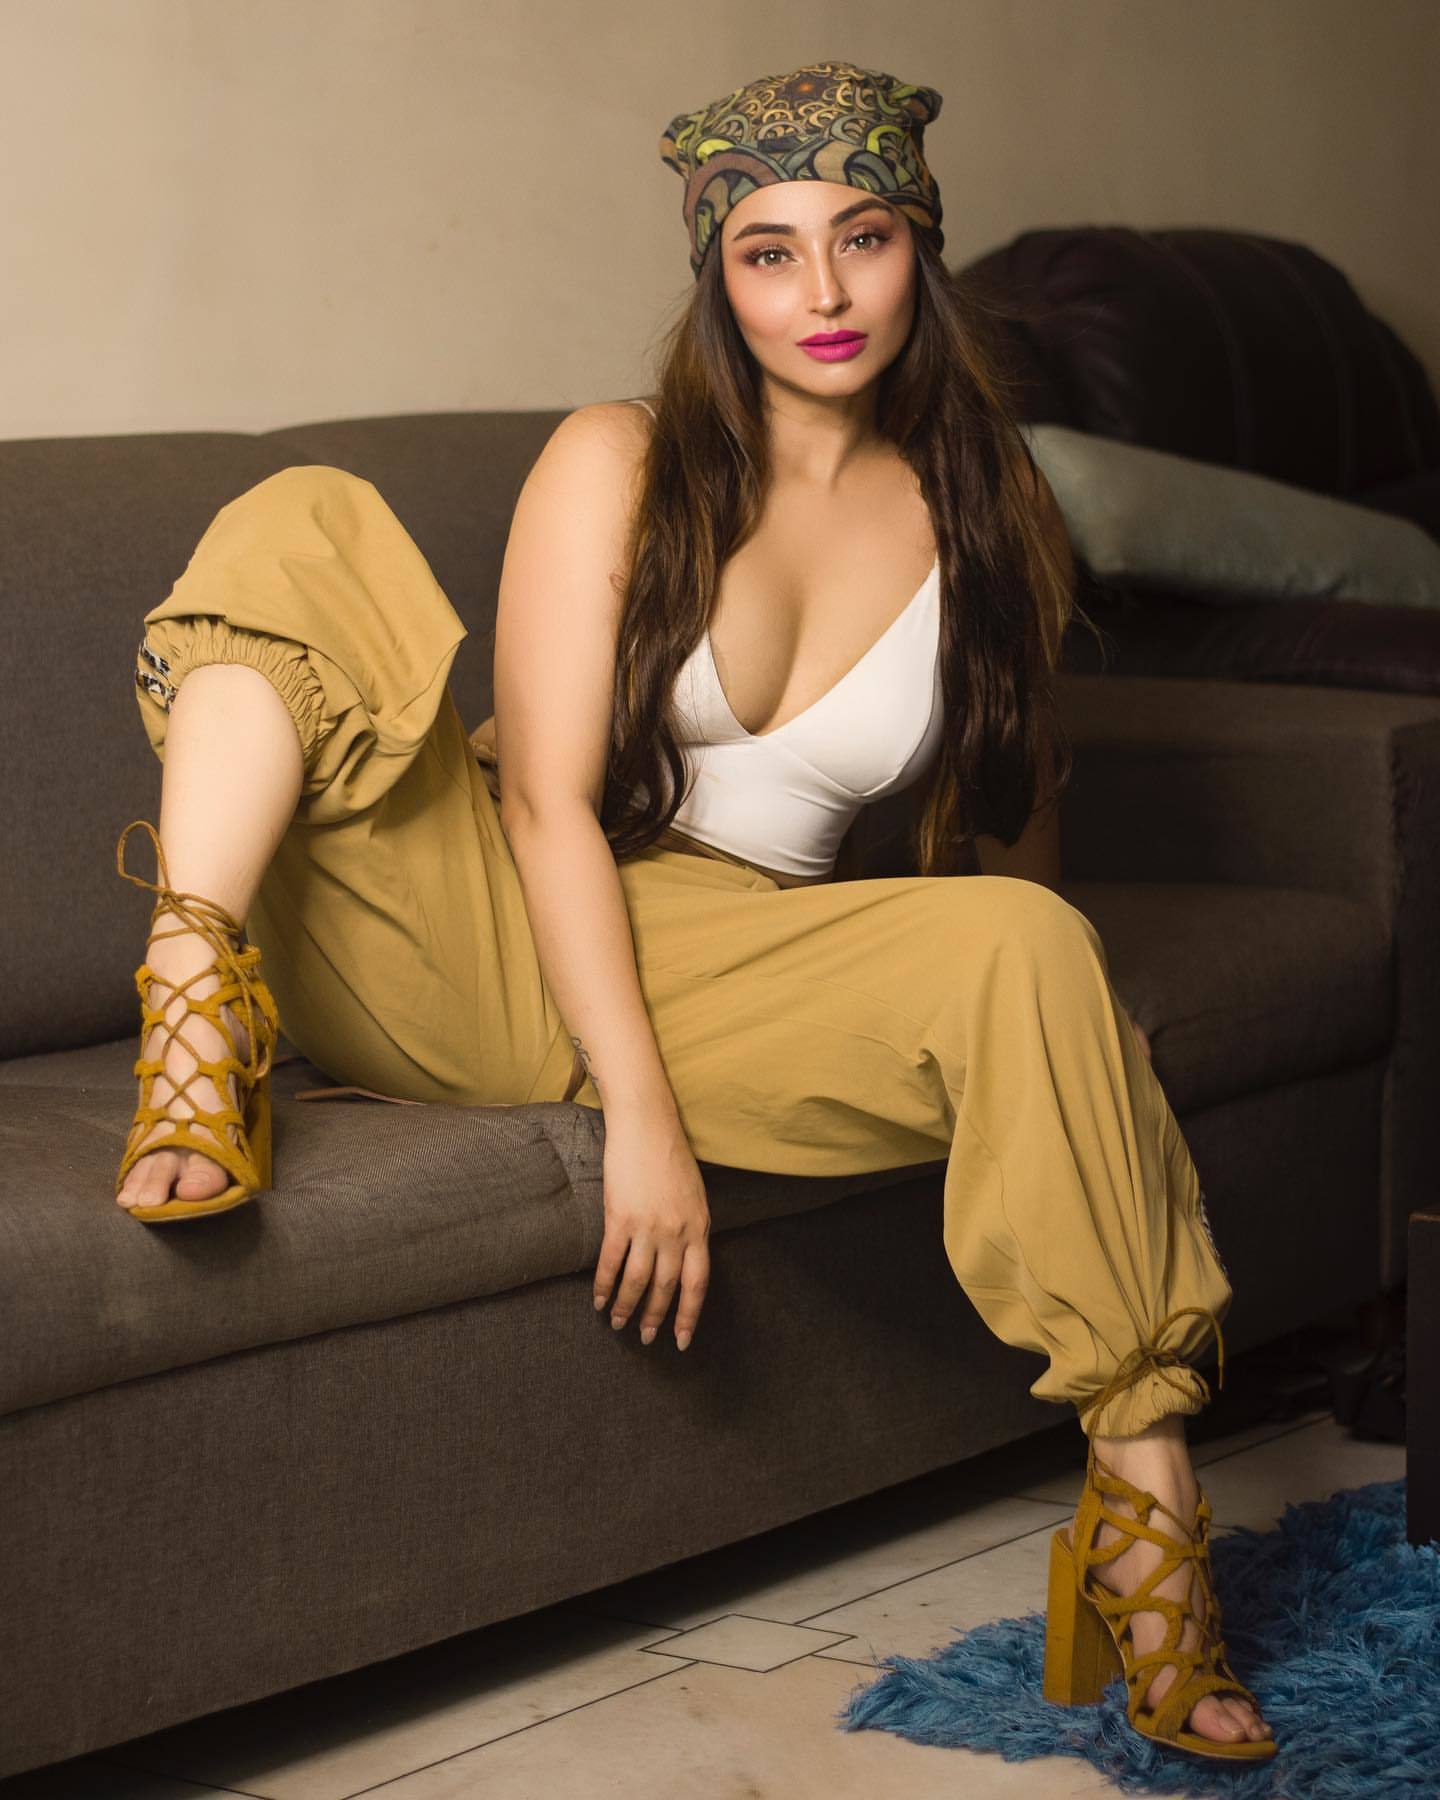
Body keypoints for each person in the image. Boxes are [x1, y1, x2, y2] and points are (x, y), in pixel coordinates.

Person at [112, 60, 1275, 1762]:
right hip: (483, 905)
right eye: (767, 251)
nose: (822, 293)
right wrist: (642, 1123)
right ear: (716, 277)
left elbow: (1018, 837)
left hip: (737, 954)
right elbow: (542, 802)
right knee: (308, 516)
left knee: (1038, 947)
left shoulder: (991, 517)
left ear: (921, 247)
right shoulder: (624, 456)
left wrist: (1052, 1049)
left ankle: (1146, 1523)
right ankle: (194, 1005)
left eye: (862, 237)